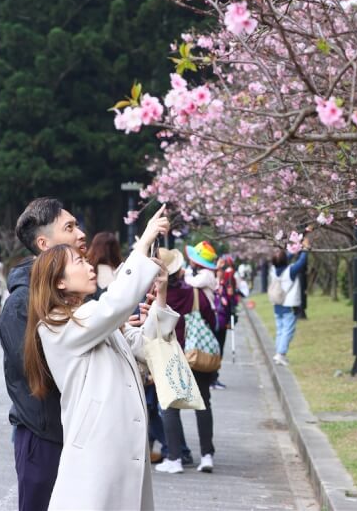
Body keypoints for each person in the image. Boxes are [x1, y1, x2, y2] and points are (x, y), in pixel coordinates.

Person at [24, 206, 175, 510]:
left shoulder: (90, 319)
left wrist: (160, 296)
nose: (90, 266)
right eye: (80, 262)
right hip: (98, 449)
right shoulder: (57, 324)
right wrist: (143, 242)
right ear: (60, 282)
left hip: (117, 445)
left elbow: (148, 349)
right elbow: (114, 305)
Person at [0, 197, 87, 511]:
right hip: (45, 434)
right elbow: (36, 372)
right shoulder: (21, 303)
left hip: (77, 432)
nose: (81, 234)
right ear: (43, 243)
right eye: (70, 227)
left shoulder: (73, 296)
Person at [156, 247, 217, 474]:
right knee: (203, 403)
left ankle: (175, 458)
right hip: (196, 355)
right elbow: (211, 319)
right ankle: (207, 455)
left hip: (172, 356)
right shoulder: (195, 293)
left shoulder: (159, 298)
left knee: (170, 406)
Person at [269, 237, 309, 366]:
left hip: (277, 304)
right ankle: (281, 354)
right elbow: (302, 262)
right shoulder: (290, 271)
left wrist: (297, 246)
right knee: (287, 331)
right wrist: (305, 249)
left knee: (280, 329)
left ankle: (278, 354)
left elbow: (286, 257)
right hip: (288, 305)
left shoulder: (273, 270)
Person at [211, 255, 237, 390]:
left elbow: (232, 303)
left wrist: (231, 295)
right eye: (219, 269)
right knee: (212, 350)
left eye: (223, 268)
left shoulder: (227, 284)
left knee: (219, 350)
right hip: (212, 321)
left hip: (222, 321)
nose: (221, 272)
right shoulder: (211, 284)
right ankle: (211, 377)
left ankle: (214, 377)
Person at [184, 240, 218, 309]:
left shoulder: (206, 274)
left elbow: (192, 282)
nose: (190, 260)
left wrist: (185, 273)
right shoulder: (203, 273)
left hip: (208, 310)